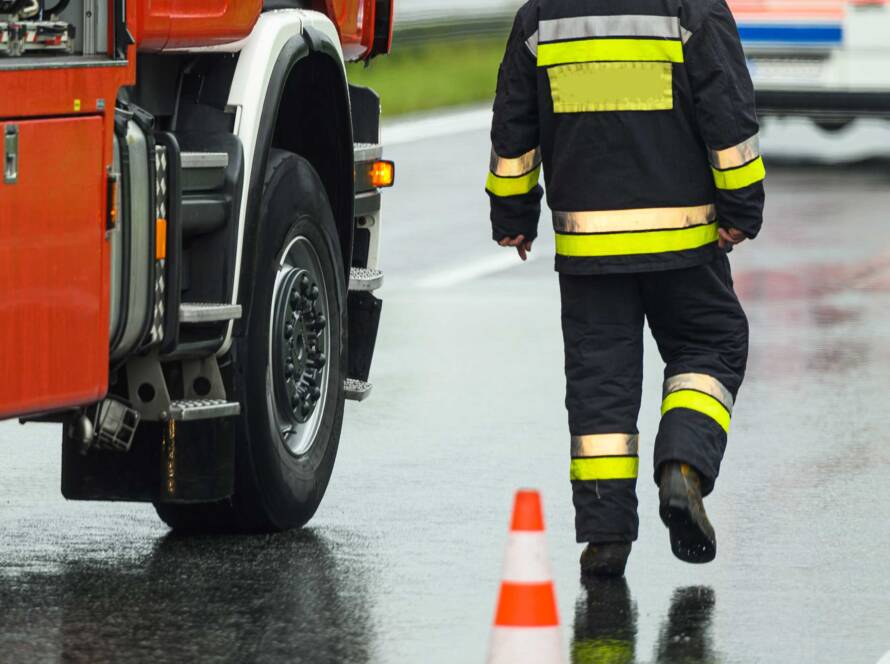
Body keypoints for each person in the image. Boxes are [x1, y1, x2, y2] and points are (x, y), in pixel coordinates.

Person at [486, 0, 764, 577]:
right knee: (711, 344)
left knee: (599, 390)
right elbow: (727, 110)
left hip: (590, 247)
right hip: (684, 240)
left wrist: (512, 213)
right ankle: (683, 466)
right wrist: (741, 206)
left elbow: (514, 122)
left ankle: (605, 537)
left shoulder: (542, 15)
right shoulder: (691, 8)